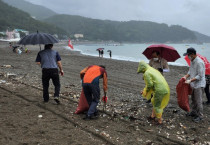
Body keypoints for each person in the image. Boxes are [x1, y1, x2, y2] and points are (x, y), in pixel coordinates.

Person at [183, 48, 205, 123]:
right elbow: (190, 71)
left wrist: (190, 80)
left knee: (198, 101)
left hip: (199, 84)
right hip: (193, 84)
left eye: (188, 55)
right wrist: (186, 76)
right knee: (193, 99)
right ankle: (194, 112)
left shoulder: (199, 62)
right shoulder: (192, 61)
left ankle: (200, 116)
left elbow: (200, 75)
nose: (188, 56)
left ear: (192, 54)